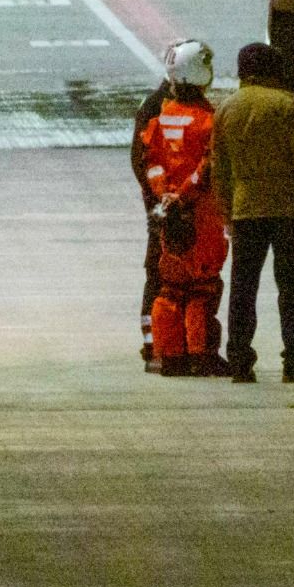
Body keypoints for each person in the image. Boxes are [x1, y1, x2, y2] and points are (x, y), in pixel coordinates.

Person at [211, 42, 294, 384]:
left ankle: (239, 361)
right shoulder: (286, 105)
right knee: (293, 289)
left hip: (246, 207)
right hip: (286, 207)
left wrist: (226, 212)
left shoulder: (227, 108)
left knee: (243, 288)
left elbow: (220, 168)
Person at [137, 40, 229, 376]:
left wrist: (165, 195)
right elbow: (208, 166)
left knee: (171, 288)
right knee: (202, 287)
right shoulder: (207, 120)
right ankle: (201, 355)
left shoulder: (162, 118)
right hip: (200, 215)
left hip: (168, 214)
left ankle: (170, 355)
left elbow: (152, 164)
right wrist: (185, 194)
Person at [130, 76, 170, 372]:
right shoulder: (162, 108)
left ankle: (159, 343)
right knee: (164, 271)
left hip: (161, 203)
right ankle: (161, 344)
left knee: (158, 270)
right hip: (171, 204)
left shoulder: (154, 103)